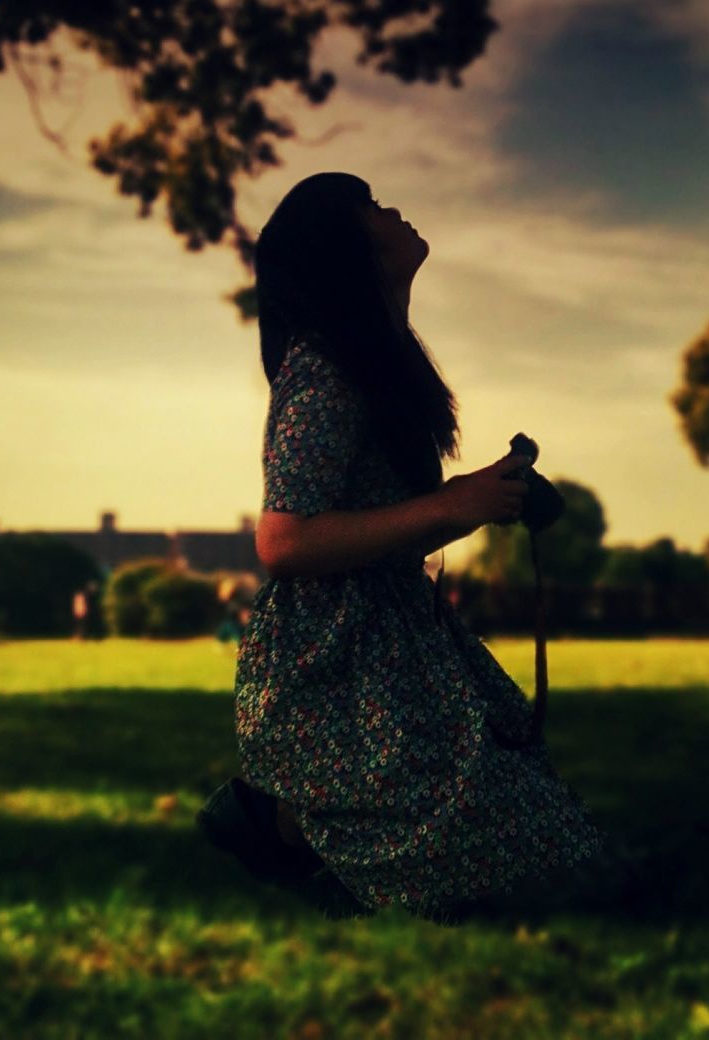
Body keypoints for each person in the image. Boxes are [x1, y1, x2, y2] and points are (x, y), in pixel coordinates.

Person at [230, 171, 624, 924]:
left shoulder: (377, 362)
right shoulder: (326, 371)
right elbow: (283, 541)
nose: (393, 208)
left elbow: (387, 517)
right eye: (369, 204)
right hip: (334, 657)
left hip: (395, 634)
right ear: (343, 244)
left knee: (535, 827)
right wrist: (453, 503)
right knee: (511, 857)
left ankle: (288, 819)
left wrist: (484, 495)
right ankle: (279, 818)